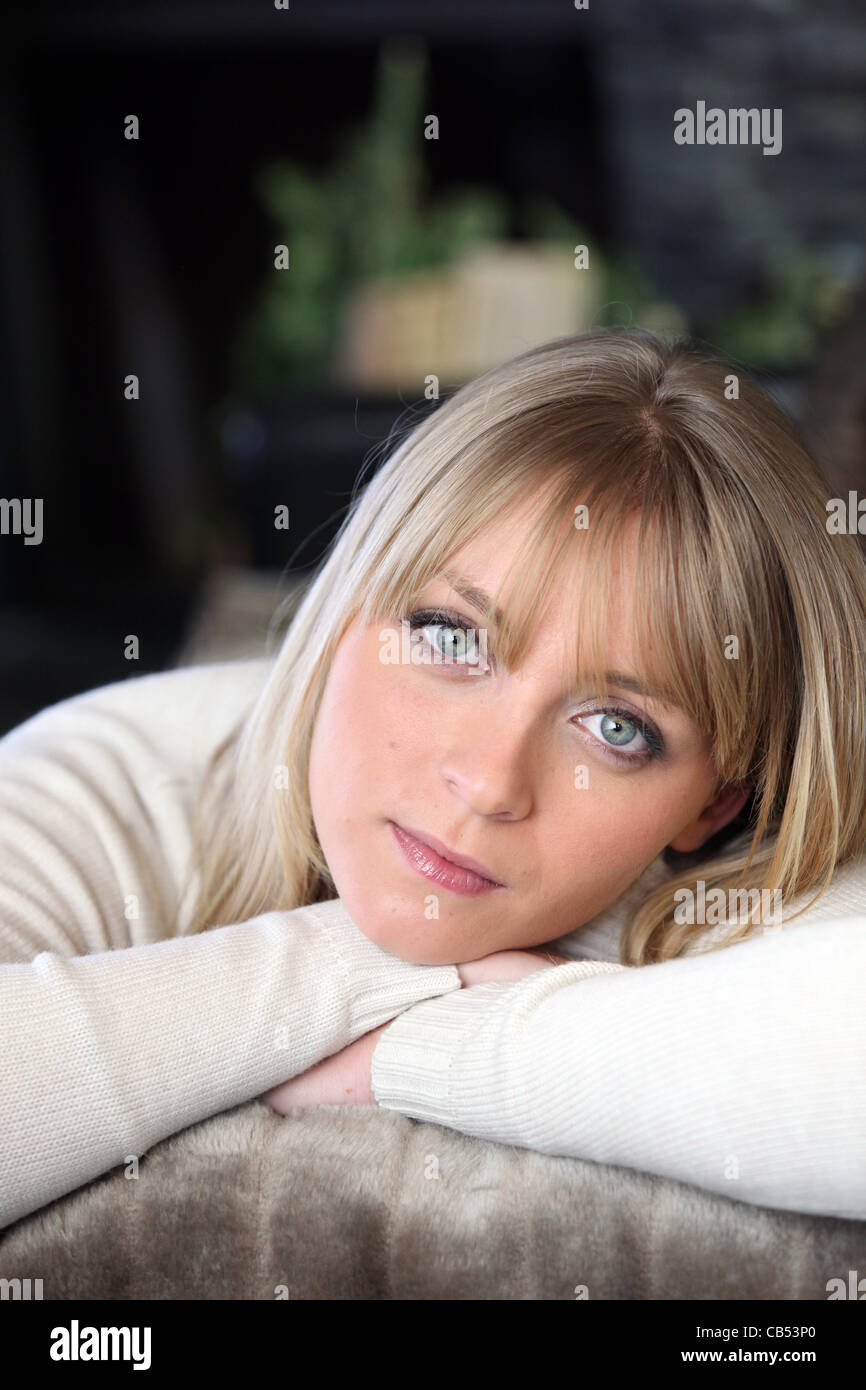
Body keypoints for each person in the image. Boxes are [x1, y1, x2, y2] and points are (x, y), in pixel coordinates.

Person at [2, 328, 864, 1233]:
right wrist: (363, 971)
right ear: (347, 608)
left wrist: (407, 1057)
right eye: (452, 638)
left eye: (618, 729)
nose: (490, 782)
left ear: (715, 804)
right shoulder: (112, 774)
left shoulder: (740, 881)